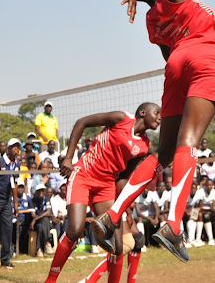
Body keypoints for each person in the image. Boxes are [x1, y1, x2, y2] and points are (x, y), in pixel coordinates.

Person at [91, 0, 215, 263]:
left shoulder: (152, 22)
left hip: (176, 65)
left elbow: (170, 60)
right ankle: (173, 224)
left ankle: (112, 215)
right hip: (204, 54)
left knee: (165, 152)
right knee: (190, 143)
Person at [44, 103, 161, 282]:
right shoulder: (121, 119)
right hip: (83, 174)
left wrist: (125, 206)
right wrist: (68, 158)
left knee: (118, 245)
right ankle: (51, 280)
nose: (160, 117)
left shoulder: (144, 146)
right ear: (143, 113)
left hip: (106, 185)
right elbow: (81, 122)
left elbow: (123, 177)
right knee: (75, 230)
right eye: (157, 113)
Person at [0, 137, 21, 269]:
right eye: (14, 147)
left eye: (18, 147)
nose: (16, 149)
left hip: (7, 201)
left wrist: (15, 204)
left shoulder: (16, 164)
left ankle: (5, 259)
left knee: (8, 229)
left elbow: (15, 184)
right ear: (8, 148)